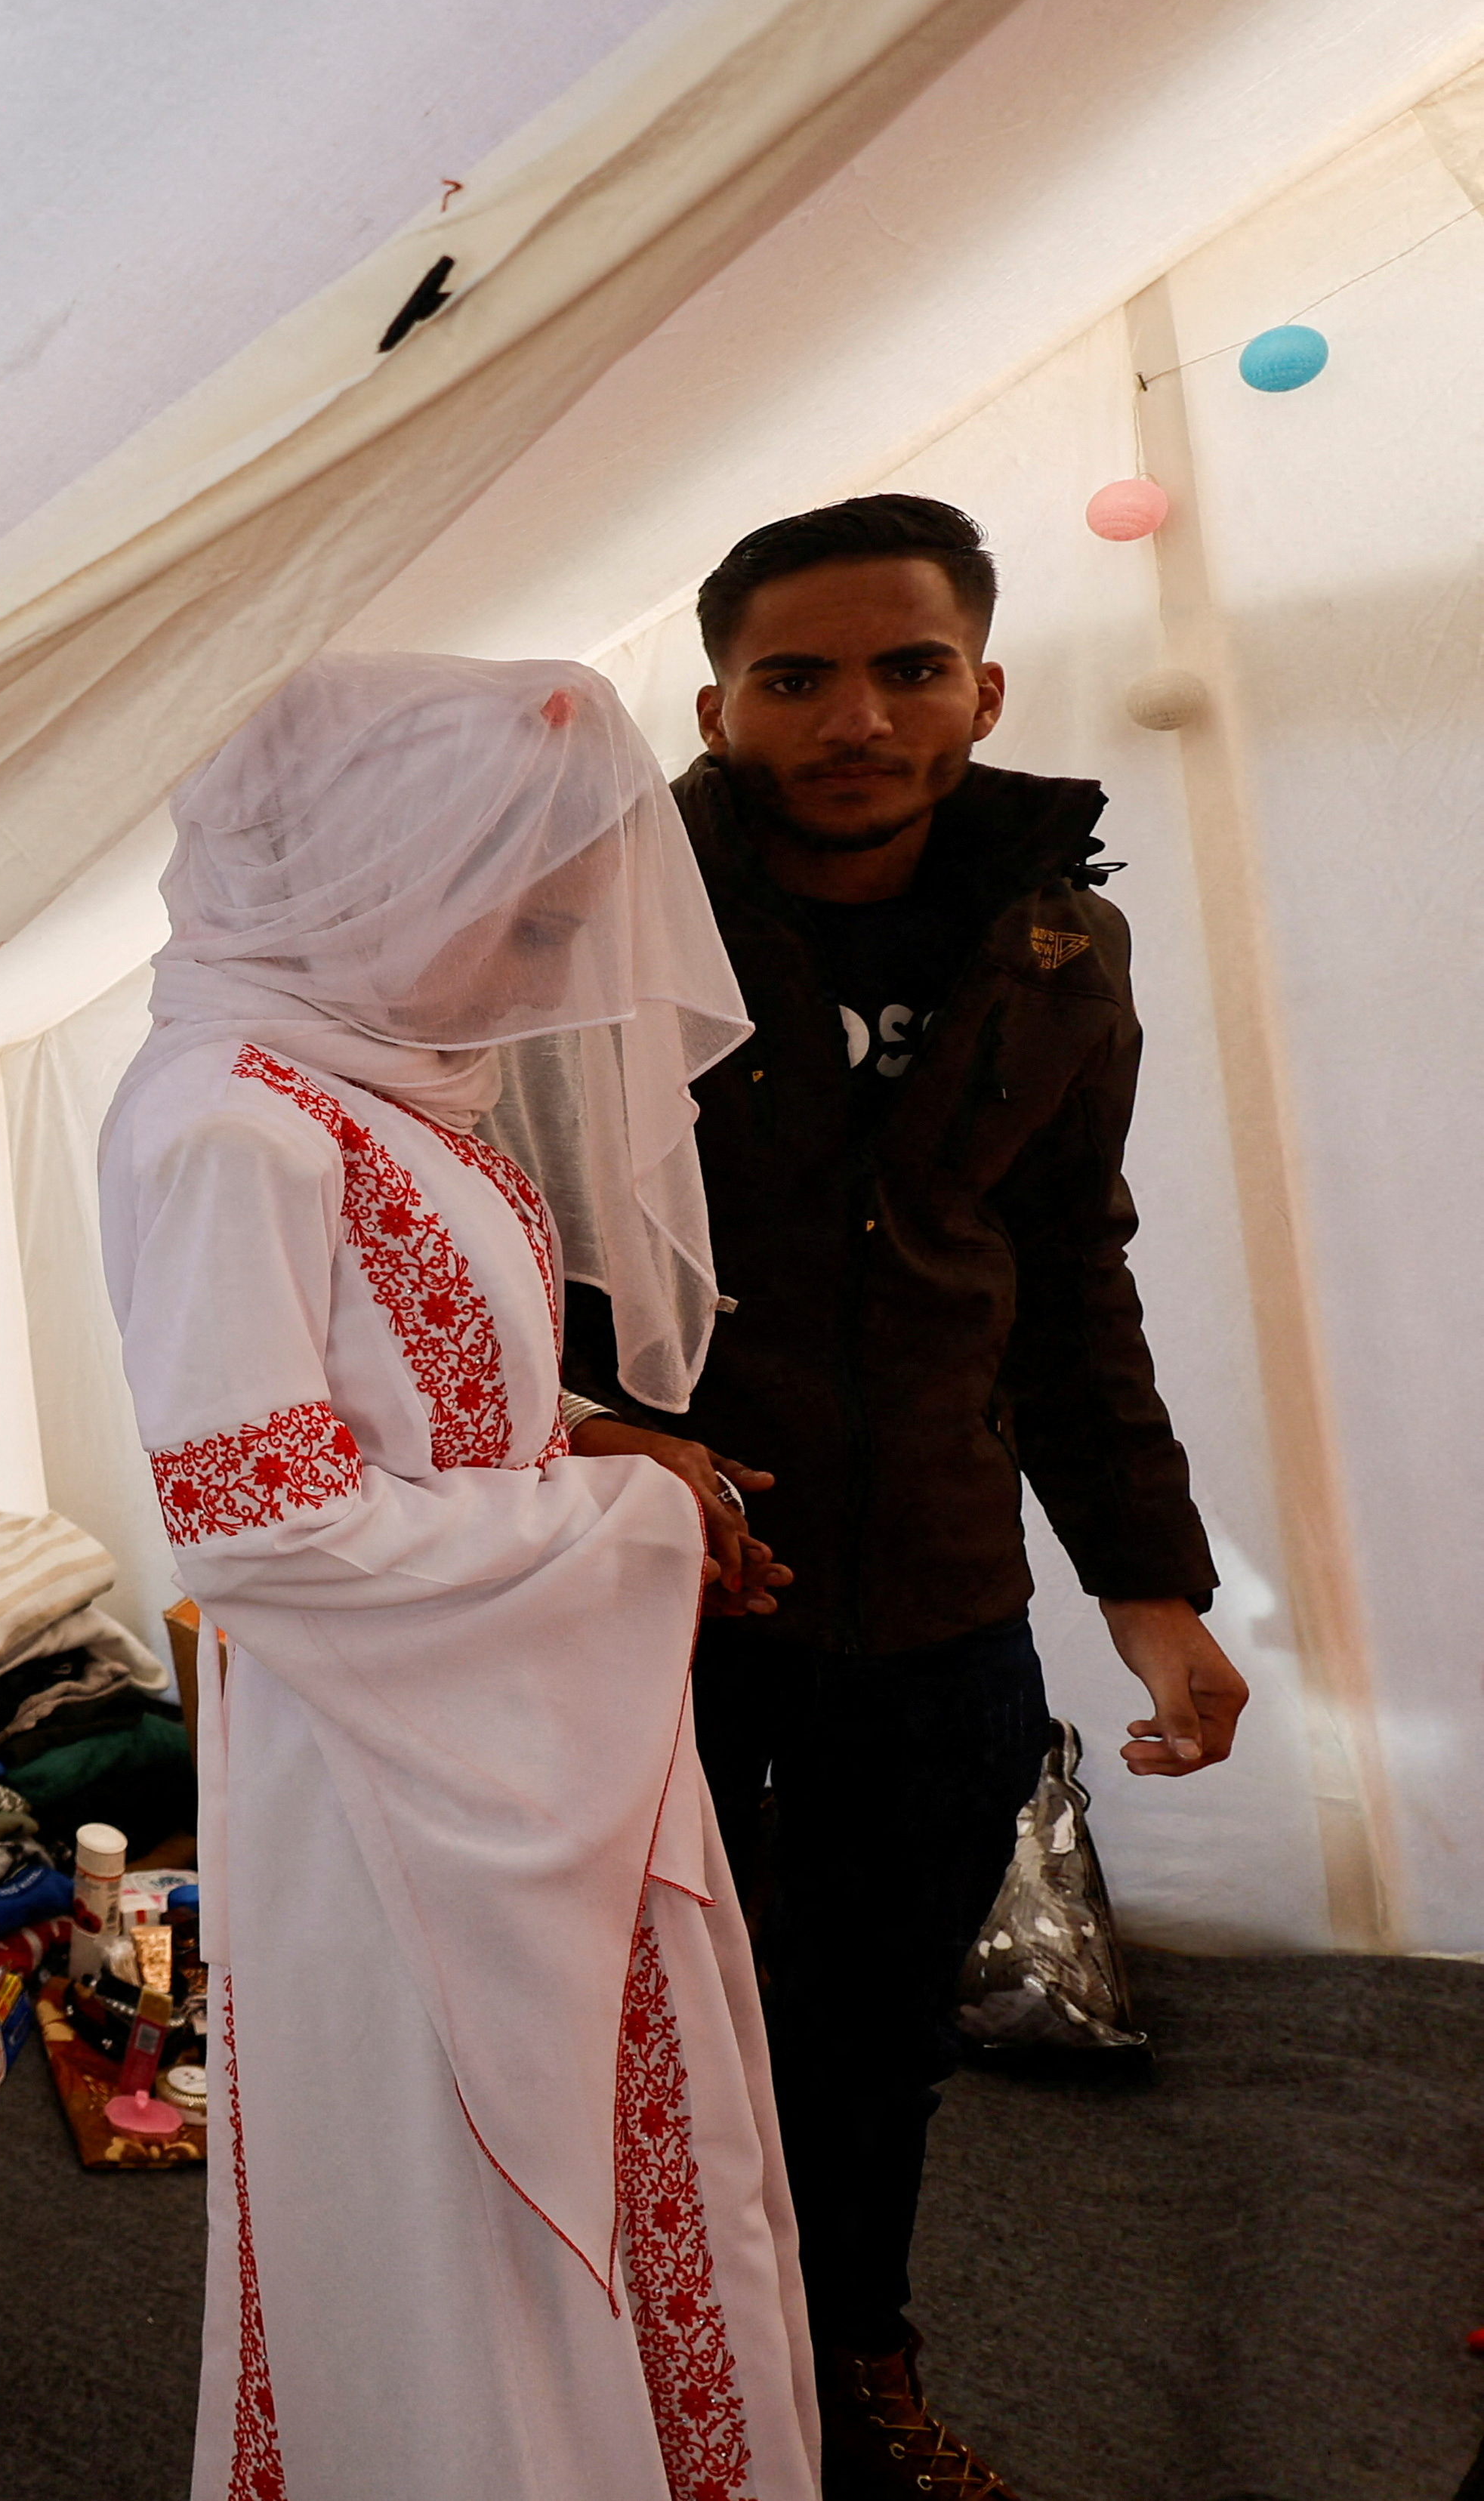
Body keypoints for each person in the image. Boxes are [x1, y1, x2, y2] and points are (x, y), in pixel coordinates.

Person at [562, 494, 1246, 2499]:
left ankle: (848, 2368)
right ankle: (612, 2397)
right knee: (636, 2023)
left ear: (980, 683)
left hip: (935, 1591)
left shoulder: (1058, 936)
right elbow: (498, 1244)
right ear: (715, 701)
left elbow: (1063, 1265)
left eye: (903, 666)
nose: (851, 714)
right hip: (651, 1590)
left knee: (871, 2036)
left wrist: (1143, 1583)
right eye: (795, 676)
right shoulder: (600, 919)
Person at [100, 653, 813, 2500]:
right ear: (361, 875)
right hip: (381, 1768)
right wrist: (626, 1533)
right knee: (443, 2204)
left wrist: (593, 1438)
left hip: (509, 1721)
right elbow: (256, 1520)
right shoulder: (221, 1122)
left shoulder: (385, 1082)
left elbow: (413, 1397)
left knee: (600, 2137)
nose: (549, 967)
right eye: (525, 915)